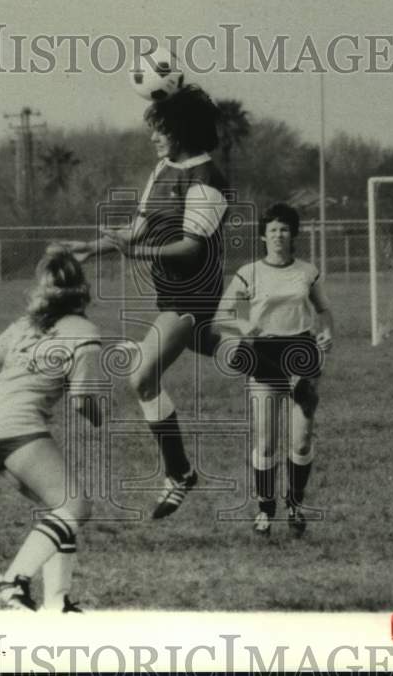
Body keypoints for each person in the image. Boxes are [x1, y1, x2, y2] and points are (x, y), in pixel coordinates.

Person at [67, 84, 227, 519]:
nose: (153, 137)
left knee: (141, 377)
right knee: (232, 348)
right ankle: (276, 359)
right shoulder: (162, 170)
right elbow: (135, 230)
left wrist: (138, 252)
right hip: (171, 294)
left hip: (196, 294)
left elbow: (192, 248)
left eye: (160, 129)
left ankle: (179, 473)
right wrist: (88, 248)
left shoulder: (206, 179)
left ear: (182, 130)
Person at [0, 246, 104, 612]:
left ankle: (57, 602)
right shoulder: (85, 332)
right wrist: (99, 416)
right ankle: (11, 581)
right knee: (76, 506)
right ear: (83, 289)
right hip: (17, 426)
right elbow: (82, 400)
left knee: (58, 508)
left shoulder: (24, 325)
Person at [214, 203, 333, 536]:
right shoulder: (250, 272)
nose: (278, 235)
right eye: (272, 230)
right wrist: (243, 324)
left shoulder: (307, 271)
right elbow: (221, 314)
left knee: (302, 438)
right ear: (263, 236)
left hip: (302, 353)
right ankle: (266, 509)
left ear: (293, 234)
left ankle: (295, 504)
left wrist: (328, 333)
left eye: (284, 229)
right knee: (266, 442)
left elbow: (324, 310)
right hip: (264, 353)